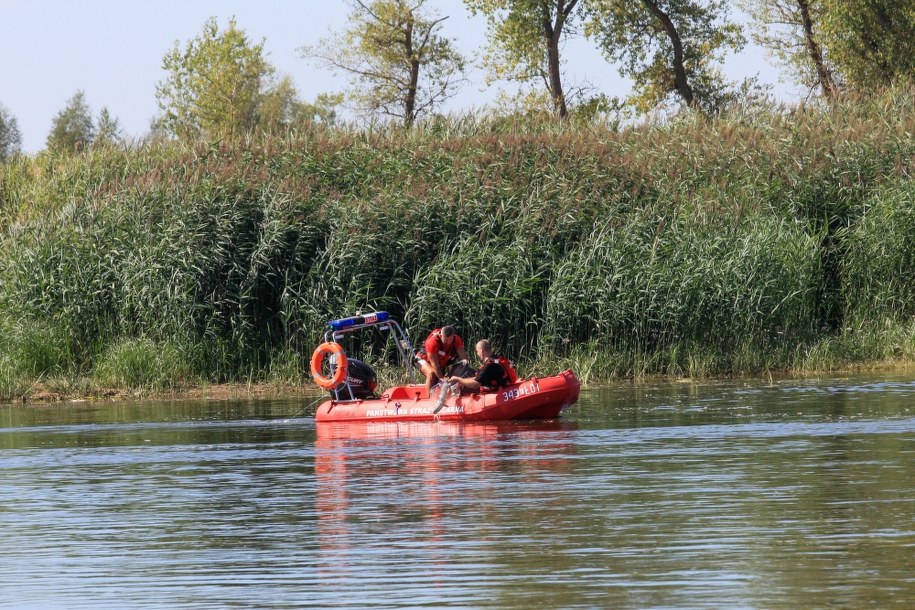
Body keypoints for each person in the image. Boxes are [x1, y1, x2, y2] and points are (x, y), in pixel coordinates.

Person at [415, 325, 469, 396]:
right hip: (422, 359)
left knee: (454, 374)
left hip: (440, 363)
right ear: (441, 335)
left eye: (450, 339)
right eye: (446, 340)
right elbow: (435, 366)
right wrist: (442, 378)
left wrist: (467, 370)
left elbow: (464, 357)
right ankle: (428, 398)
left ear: (453, 336)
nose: (449, 342)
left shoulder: (456, 339)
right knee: (431, 373)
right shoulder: (432, 342)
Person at [447, 339, 518, 393]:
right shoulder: (498, 359)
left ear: (481, 351)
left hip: (499, 393)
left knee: (465, 390)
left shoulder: (489, 366)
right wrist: (462, 380)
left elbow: (475, 384)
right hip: (506, 386)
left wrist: (459, 379)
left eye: (477, 351)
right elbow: (479, 378)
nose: (477, 354)